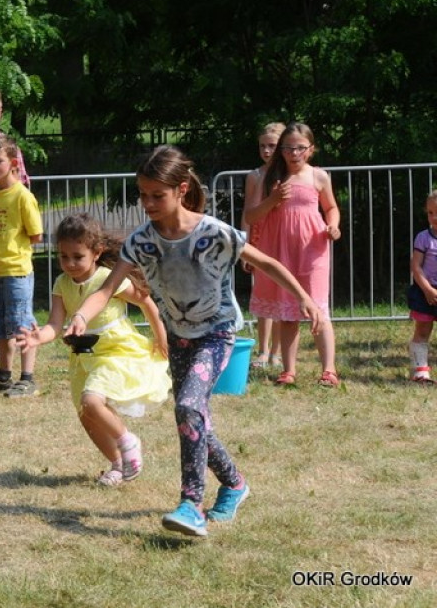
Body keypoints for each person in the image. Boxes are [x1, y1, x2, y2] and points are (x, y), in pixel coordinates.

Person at [64, 146, 322, 537]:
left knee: (188, 407)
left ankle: (191, 504)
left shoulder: (212, 232)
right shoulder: (142, 241)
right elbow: (110, 286)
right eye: (143, 194)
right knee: (192, 417)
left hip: (216, 334)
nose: (147, 203)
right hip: (181, 339)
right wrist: (82, 314)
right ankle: (235, 483)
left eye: (157, 195)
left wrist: (302, 297)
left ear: (181, 190)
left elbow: (266, 262)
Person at [16, 214, 171, 485]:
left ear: (96, 253)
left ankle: (128, 441)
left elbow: (146, 302)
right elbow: (55, 324)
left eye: (77, 256)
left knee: (92, 401)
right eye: (63, 257)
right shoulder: (61, 284)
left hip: (114, 350)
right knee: (86, 415)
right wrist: (38, 338)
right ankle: (117, 464)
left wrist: (161, 336)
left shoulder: (108, 279)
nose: (70, 264)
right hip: (83, 357)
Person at [245, 122, 342, 387]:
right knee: (288, 312)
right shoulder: (266, 179)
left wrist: (333, 226)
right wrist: (272, 199)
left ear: (311, 149)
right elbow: (251, 216)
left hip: (313, 250)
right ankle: (288, 370)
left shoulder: (318, 177)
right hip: (279, 251)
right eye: (288, 148)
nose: (294, 154)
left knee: (318, 307)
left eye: (300, 148)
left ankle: (329, 370)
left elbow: (331, 207)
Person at [0, 136, 43, 397]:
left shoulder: (22, 196)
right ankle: (4, 374)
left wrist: (14, 250)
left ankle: (27, 377)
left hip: (16, 270)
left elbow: (35, 234)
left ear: (13, 163)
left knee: (21, 323)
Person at [242, 122, 285, 369]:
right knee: (263, 296)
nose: (266, 151)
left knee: (282, 295)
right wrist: (244, 246)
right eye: (262, 146)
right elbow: (247, 212)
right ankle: (263, 349)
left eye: (272, 146)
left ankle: (278, 351)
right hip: (260, 240)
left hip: (282, 240)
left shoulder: (289, 175)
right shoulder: (255, 176)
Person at [407, 190, 437, 385]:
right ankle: (420, 370)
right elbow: (416, 266)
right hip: (425, 291)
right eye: (430, 213)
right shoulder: (423, 238)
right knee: (423, 330)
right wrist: (427, 289)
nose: (434, 217)